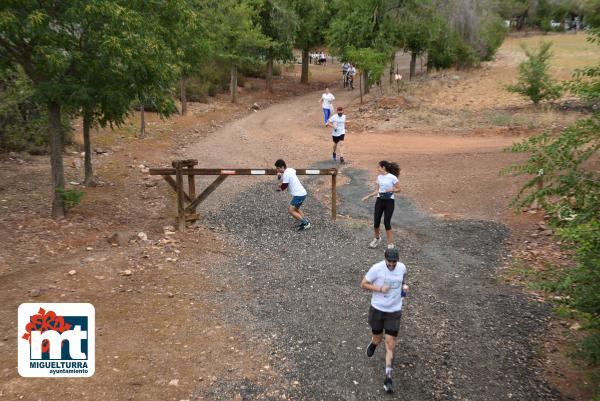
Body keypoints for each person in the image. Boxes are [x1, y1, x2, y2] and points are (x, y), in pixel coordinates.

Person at [360, 247, 409, 394]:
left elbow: (404, 280)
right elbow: (363, 284)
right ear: (385, 259)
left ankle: (388, 378)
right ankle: (374, 344)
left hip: (394, 311)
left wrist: (404, 289)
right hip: (378, 310)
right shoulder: (377, 269)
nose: (392, 265)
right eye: (390, 262)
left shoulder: (402, 267)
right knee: (378, 338)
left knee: (390, 343)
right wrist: (380, 289)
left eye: (395, 262)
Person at [361, 161, 401, 248]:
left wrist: (392, 190)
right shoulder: (379, 177)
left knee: (387, 222)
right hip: (380, 200)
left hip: (389, 201)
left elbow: (399, 189)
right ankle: (377, 238)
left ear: (383, 167)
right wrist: (368, 196)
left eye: (378, 167)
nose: (377, 168)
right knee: (376, 221)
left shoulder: (392, 177)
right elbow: (378, 190)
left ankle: (390, 244)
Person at [274, 159, 311, 231]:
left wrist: (280, 188)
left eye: (278, 168)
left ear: (282, 167)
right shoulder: (290, 170)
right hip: (302, 193)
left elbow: (284, 185)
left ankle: (306, 223)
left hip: (299, 195)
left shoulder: (286, 174)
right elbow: (286, 178)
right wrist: (279, 177)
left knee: (291, 210)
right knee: (296, 209)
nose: (277, 170)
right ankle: (304, 222)